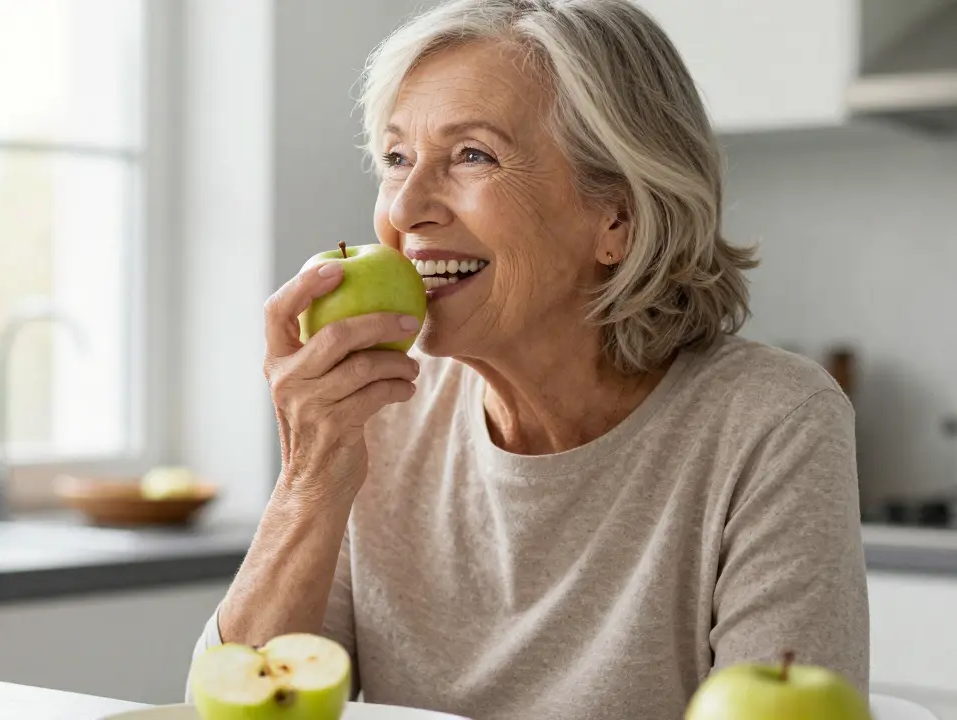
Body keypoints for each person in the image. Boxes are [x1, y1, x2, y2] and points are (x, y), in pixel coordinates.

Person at [189, 1, 869, 718]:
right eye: (396, 159)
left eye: (472, 155)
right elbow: (230, 707)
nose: (407, 207)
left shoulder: (771, 421)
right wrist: (309, 476)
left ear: (617, 217)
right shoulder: (380, 406)